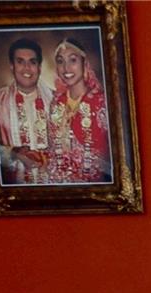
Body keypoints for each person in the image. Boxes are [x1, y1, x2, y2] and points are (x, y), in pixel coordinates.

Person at [43, 37, 110, 184]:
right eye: (60, 61)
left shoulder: (101, 103)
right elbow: (53, 151)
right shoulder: (56, 103)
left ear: (84, 63)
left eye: (73, 60)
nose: (66, 68)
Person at [0, 36, 52, 185]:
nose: (27, 68)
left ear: (39, 67)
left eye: (32, 62)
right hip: (14, 190)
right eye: (20, 62)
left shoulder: (56, 101)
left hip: (54, 185)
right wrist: (15, 154)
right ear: (12, 66)